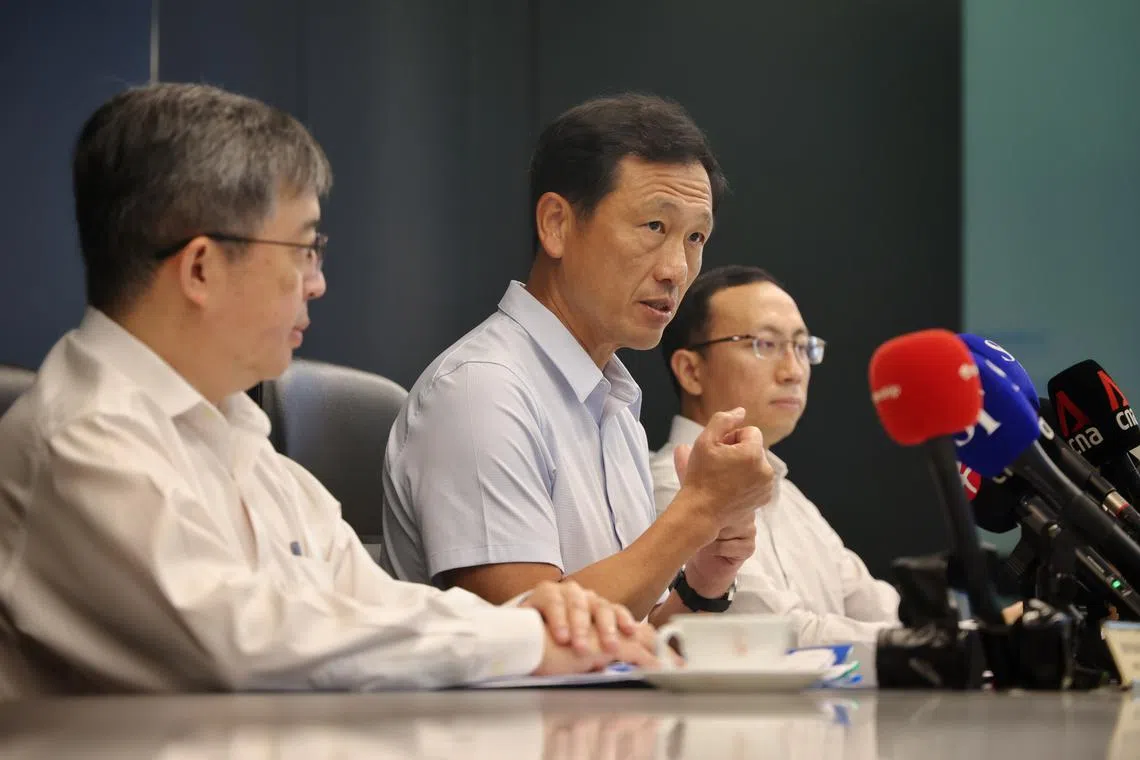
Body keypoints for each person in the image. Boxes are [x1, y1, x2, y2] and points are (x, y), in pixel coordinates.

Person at [0, 82, 658, 697]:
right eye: (303, 250)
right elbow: (252, 641)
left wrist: (530, 615)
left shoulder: (236, 433)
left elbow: (365, 600)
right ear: (201, 267)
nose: (315, 283)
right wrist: (521, 637)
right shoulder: (85, 436)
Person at [381, 94, 775, 626]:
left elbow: (622, 642)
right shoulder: (481, 392)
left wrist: (703, 582)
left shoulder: (611, 403)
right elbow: (532, 632)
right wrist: (698, 511)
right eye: (654, 227)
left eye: (696, 237)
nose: (677, 269)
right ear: (556, 225)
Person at [651, 265, 901, 647]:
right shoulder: (670, 486)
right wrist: (934, 644)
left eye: (802, 347)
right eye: (764, 344)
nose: (793, 371)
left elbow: (882, 611)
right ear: (691, 371)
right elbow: (774, 634)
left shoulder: (792, 500)